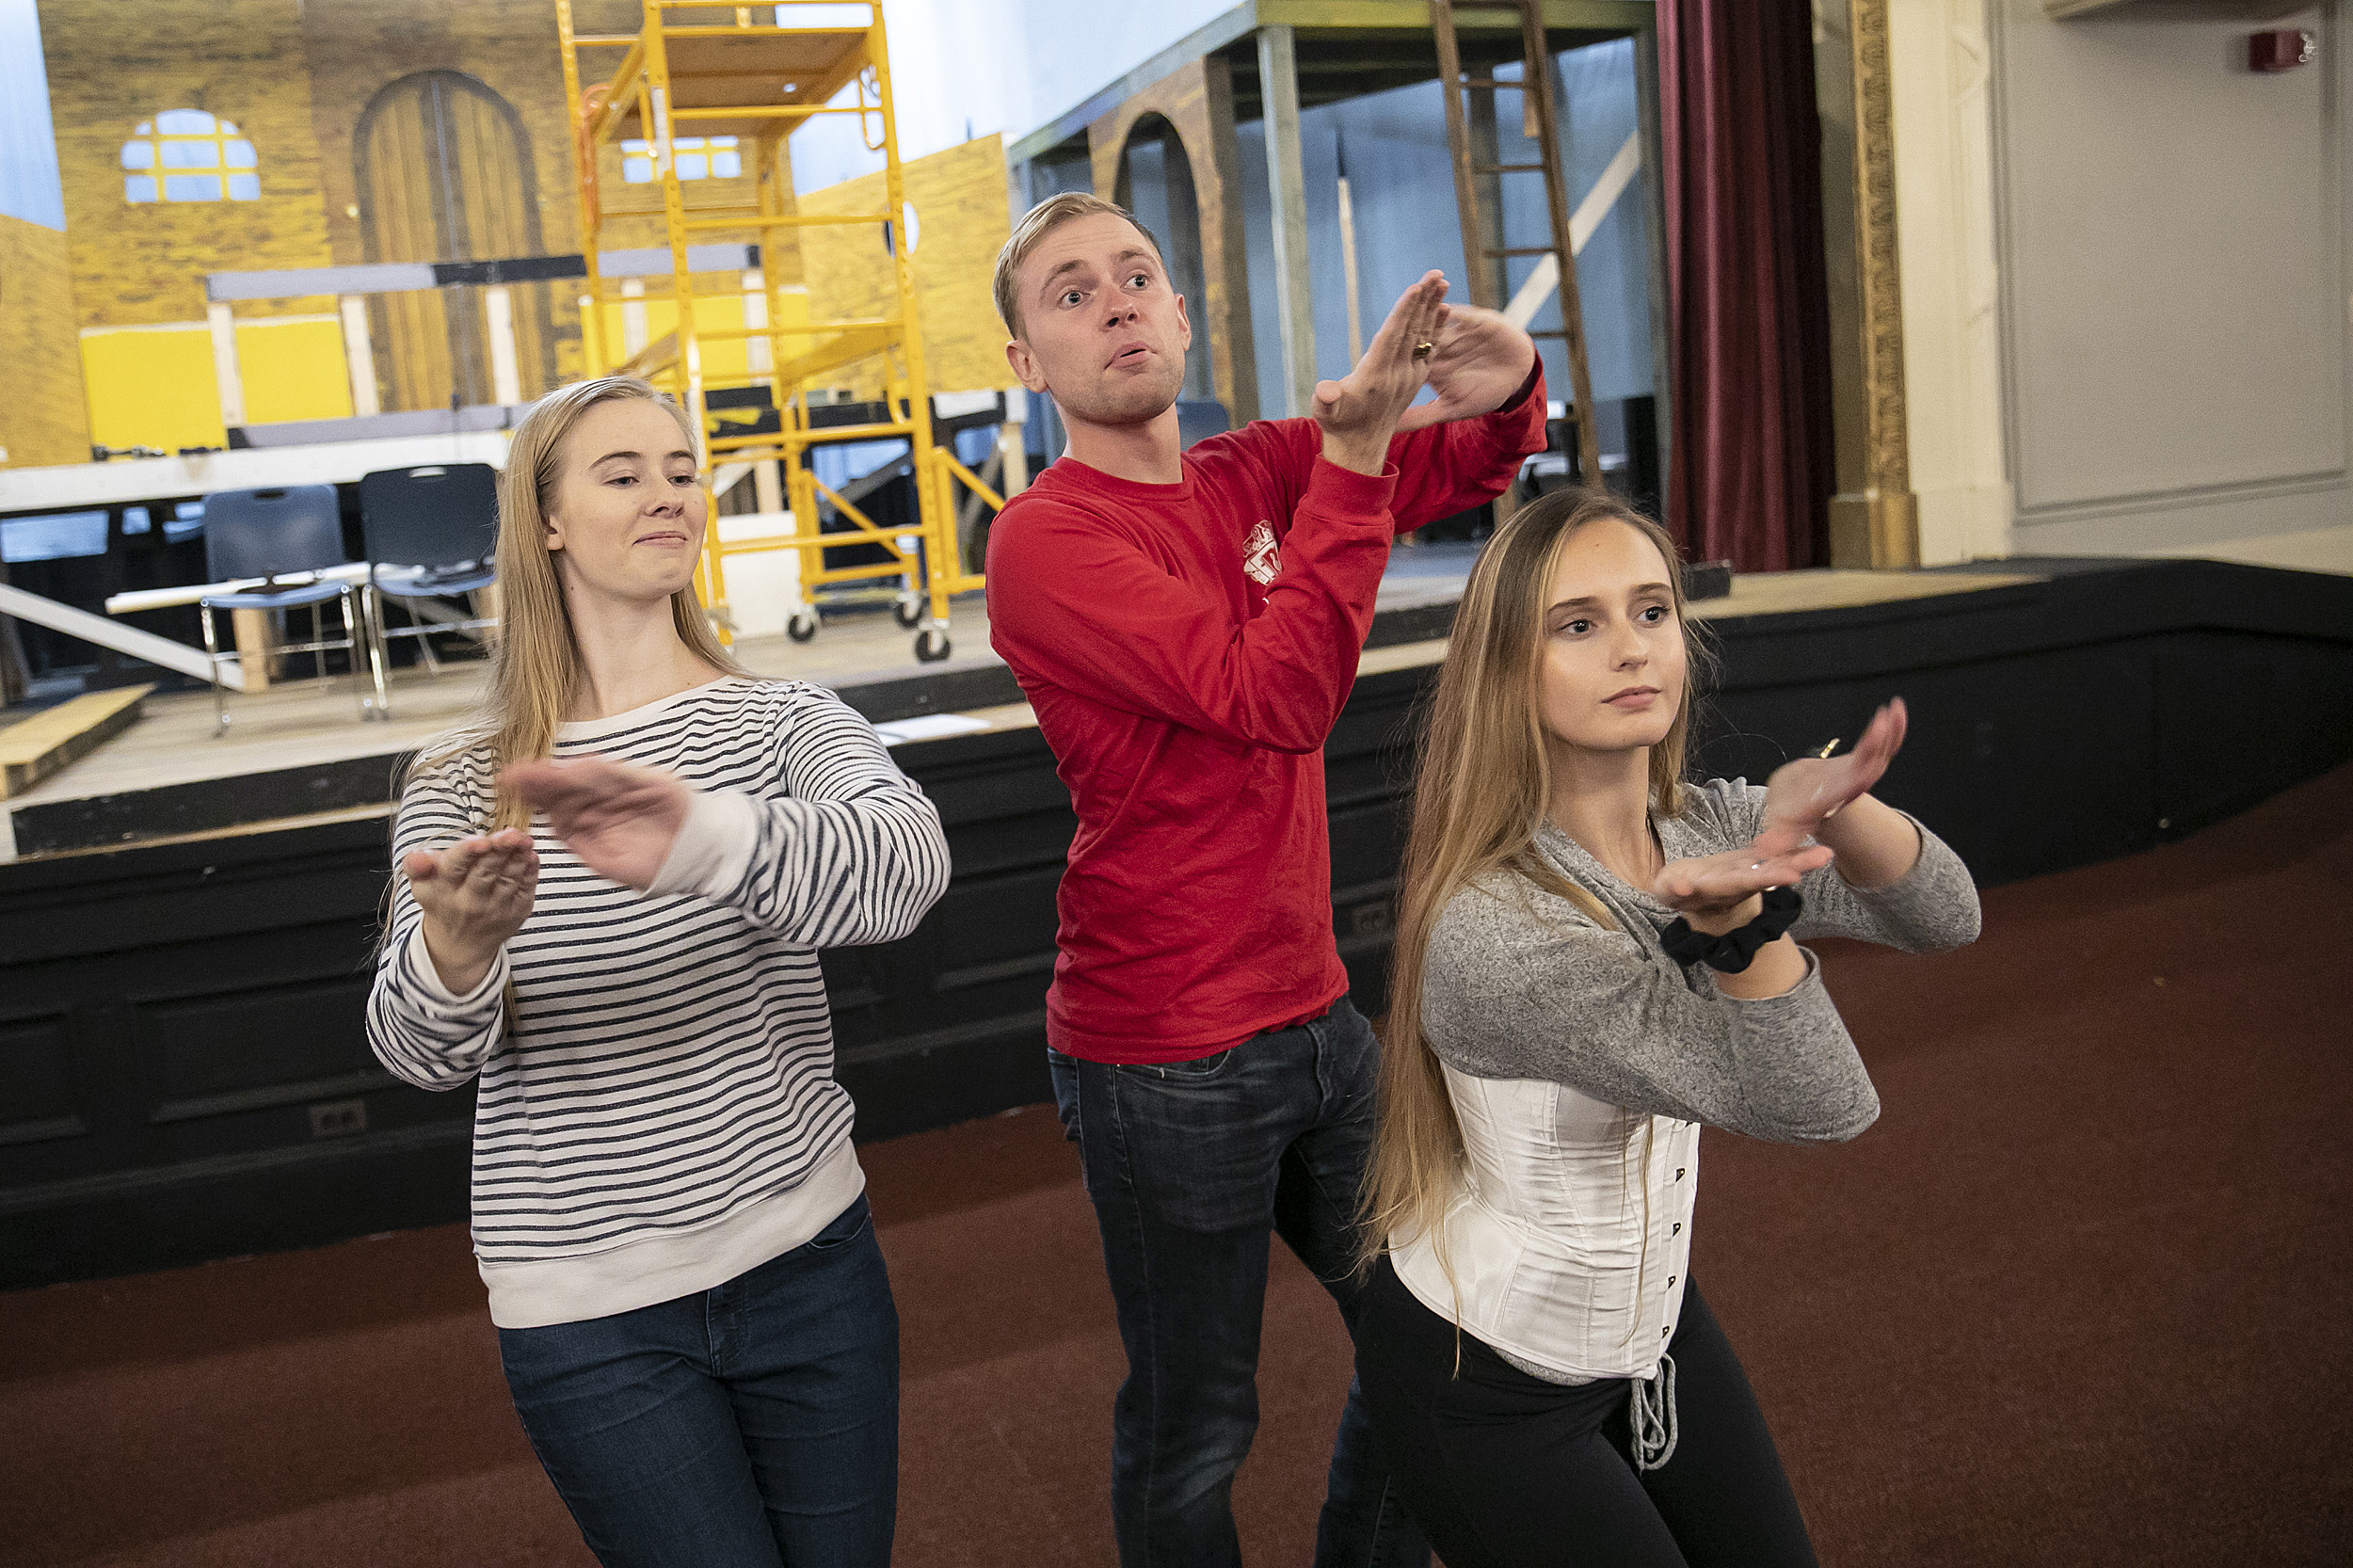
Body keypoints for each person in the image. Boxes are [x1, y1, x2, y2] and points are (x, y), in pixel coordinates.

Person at [983, 190, 1548, 1568]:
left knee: (1448, 1342)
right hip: (1164, 1052)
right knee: (1199, 1424)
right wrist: (1353, 464)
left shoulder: (1252, 471)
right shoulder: (1046, 542)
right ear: (1027, 362)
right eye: (1070, 293)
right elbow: (1280, 693)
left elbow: (1462, 459)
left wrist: (1512, 381)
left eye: (1136, 274)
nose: (1115, 301)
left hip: (1314, 1019)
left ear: (1182, 313)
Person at [365, 375, 950, 1568]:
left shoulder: (780, 719)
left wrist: (701, 839)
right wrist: (460, 950)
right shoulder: (459, 773)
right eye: (622, 473)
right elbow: (416, 1050)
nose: (667, 494)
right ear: (545, 519)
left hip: (807, 1265)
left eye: (682, 470)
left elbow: (906, 868)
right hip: (588, 1312)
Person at [1349, 488, 1982, 1567]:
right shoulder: (1500, 930)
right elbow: (1819, 1103)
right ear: (1508, 665)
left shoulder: (1702, 820)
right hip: (1484, 1384)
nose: (1630, 649)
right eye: (1578, 624)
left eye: (1651, 611)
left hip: (1649, 1332)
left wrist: (1833, 804)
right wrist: (1740, 926)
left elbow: (1946, 915)